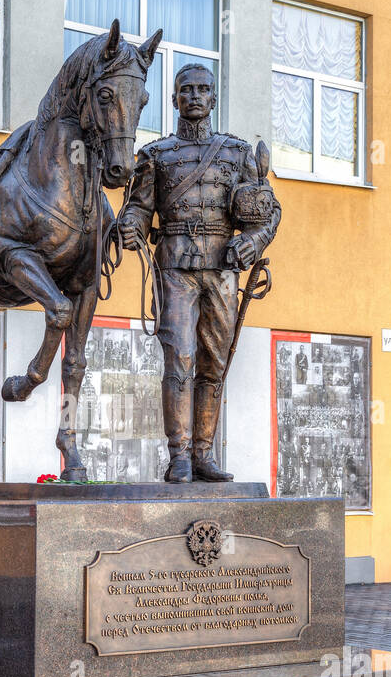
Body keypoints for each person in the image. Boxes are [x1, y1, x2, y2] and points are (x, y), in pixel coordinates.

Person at [119, 64, 281, 482]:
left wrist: (254, 241)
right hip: (174, 267)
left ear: (213, 98)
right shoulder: (155, 156)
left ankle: (204, 454)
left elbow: (268, 211)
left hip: (223, 270)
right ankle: (179, 456)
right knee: (180, 358)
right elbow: (138, 207)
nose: (194, 95)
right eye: (185, 89)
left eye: (202, 89)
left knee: (214, 362)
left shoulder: (237, 153)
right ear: (174, 99)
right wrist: (133, 226)